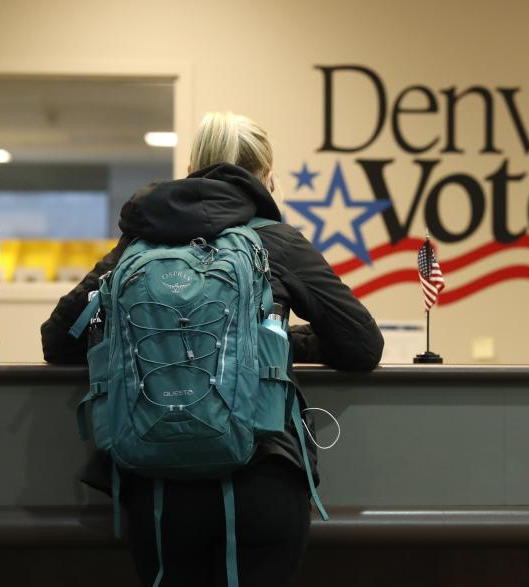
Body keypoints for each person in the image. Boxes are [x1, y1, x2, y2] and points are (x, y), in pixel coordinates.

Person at [40, 111, 384, 586]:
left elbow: (58, 340)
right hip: (262, 478)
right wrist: (275, 340)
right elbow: (362, 345)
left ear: (193, 166)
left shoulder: (139, 243)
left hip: (156, 489)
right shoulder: (276, 242)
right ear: (265, 176)